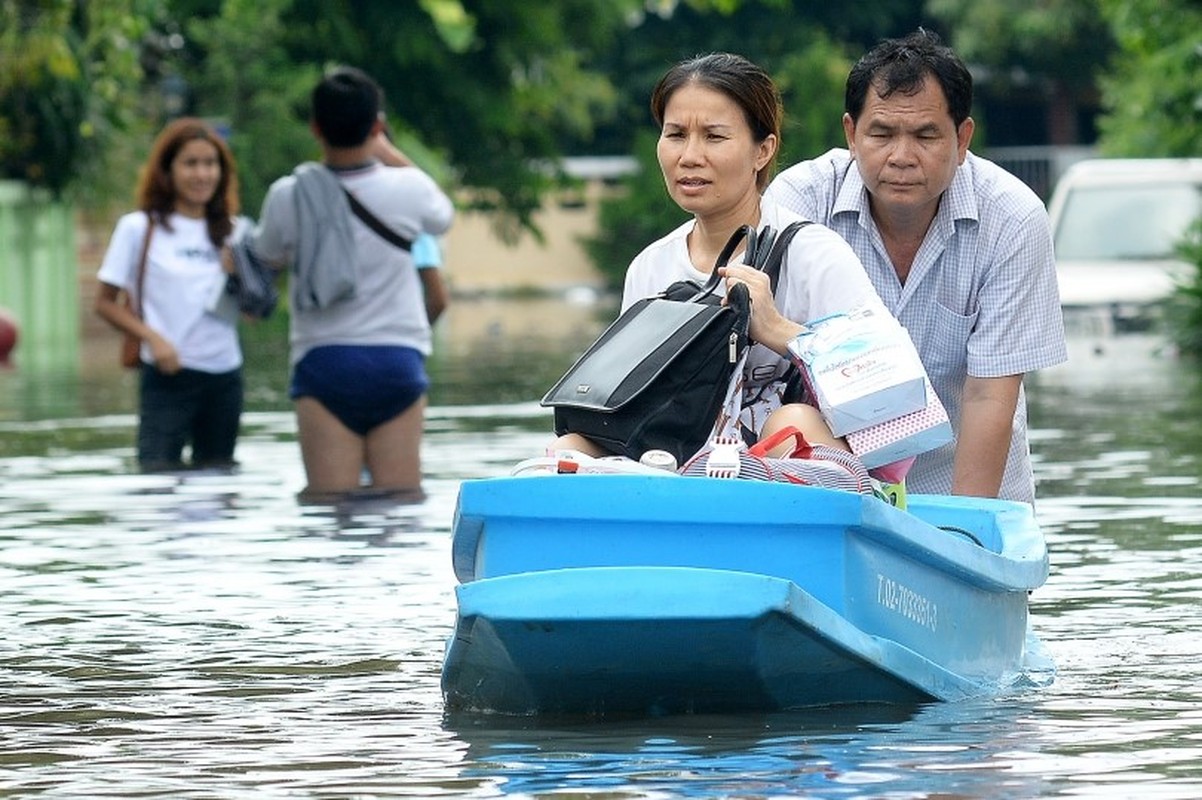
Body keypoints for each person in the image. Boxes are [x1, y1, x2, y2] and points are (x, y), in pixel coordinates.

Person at [766, 29, 1067, 505]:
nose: (901, 157)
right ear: (850, 133)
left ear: (962, 137)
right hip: (839, 489)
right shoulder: (798, 203)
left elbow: (989, 396)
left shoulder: (1013, 218)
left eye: (926, 135)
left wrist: (967, 532)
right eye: (881, 134)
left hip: (969, 485)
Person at [554, 52, 891, 459]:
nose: (689, 156)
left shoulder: (814, 254)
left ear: (763, 150)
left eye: (714, 137)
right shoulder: (650, 267)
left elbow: (886, 388)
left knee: (790, 426)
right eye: (676, 134)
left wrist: (779, 331)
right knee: (568, 451)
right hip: (682, 467)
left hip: (794, 477)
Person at [248, 66, 454, 500]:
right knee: (399, 507)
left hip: (325, 363)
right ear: (376, 126)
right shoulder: (410, 188)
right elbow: (442, 215)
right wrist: (390, 153)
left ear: (316, 128)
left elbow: (267, 255)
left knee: (329, 512)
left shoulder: (288, 194)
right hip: (396, 362)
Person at [95, 117, 245, 472]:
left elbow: (254, 311)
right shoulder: (139, 228)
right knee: (157, 481)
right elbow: (104, 303)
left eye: (210, 164)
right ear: (168, 170)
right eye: (190, 163)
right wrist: (153, 339)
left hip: (224, 375)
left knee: (220, 480)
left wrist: (241, 277)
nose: (202, 174)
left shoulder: (235, 233)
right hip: (167, 374)